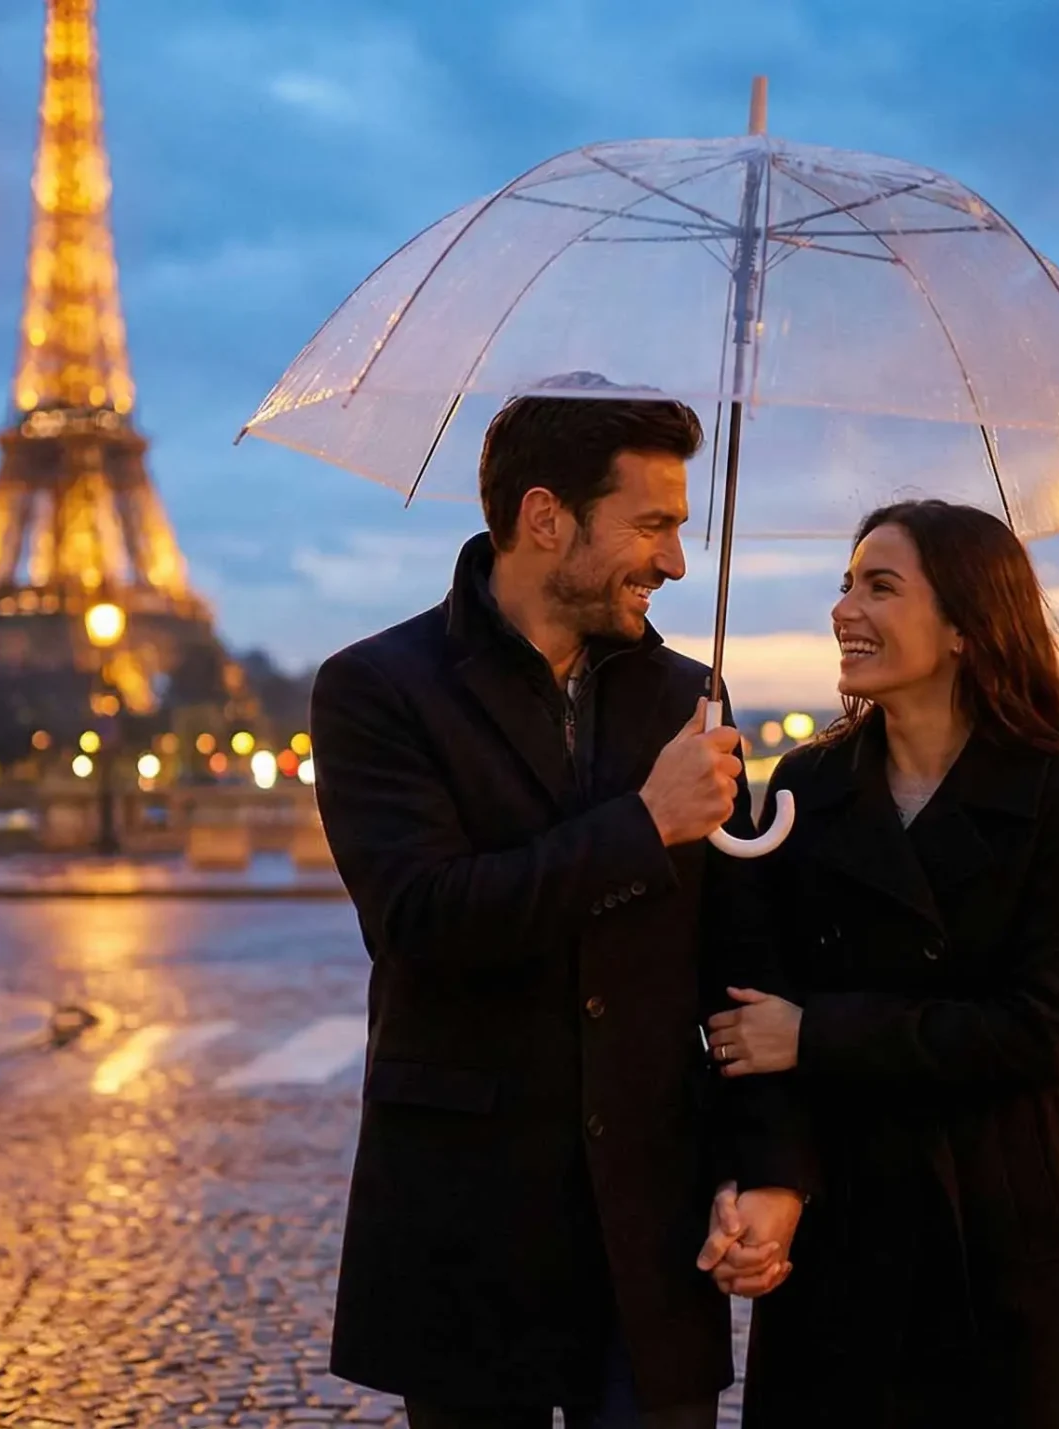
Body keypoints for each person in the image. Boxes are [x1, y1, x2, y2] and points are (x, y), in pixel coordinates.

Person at [307, 377, 806, 1428]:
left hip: (651, 1226)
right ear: (545, 517)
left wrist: (764, 1172)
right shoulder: (375, 689)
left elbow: (739, 963)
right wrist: (642, 823)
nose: (675, 559)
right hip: (468, 1225)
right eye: (652, 524)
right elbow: (423, 920)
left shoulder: (689, 697)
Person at [702, 499, 1059, 1427]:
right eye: (845, 583)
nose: (844, 608)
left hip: (1000, 1219)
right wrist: (768, 1173)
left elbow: (1041, 1032)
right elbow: (749, 999)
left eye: (879, 586)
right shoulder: (807, 787)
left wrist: (815, 1035)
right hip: (846, 1216)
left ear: (969, 624)